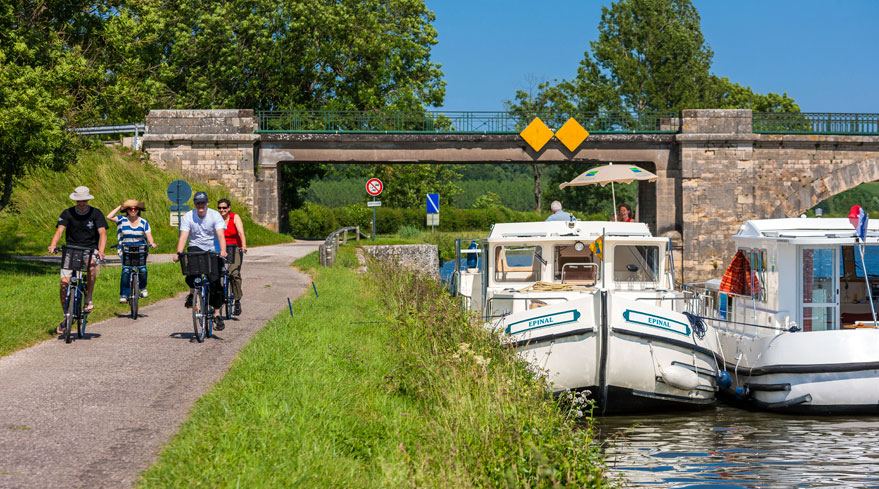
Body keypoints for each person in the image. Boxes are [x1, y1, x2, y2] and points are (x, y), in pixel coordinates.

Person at [48, 186, 108, 334]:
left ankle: (88, 297)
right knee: (64, 284)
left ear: (88, 200)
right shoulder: (67, 213)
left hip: (89, 249)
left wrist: (101, 251)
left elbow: (102, 233)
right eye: (78, 201)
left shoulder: (96, 213)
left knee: (92, 266)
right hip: (70, 249)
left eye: (84, 201)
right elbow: (60, 230)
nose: (81, 203)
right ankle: (66, 316)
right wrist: (53, 244)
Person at [172, 191, 228, 330]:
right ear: (195, 204)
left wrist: (223, 250)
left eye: (203, 202)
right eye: (198, 203)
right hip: (195, 247)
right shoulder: (189, 216)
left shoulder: (214, 215)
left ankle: (216, 314)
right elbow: (184, 236)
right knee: (192, 274)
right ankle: (192, 294)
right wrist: (179, 252)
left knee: (215, 282)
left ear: (207, 203)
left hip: (212, 249)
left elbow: (221, 236)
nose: (200, 205)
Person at [106, 199, 158, 303]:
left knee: (142, 269)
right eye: (130, 208)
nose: (133, 210)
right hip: (125, 250)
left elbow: (148, 235)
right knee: (126, 270)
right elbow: (109, 216)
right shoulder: (121, 220)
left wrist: (152, 243)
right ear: (127, 210)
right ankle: (124, 295)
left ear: (138, 210)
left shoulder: (143, 222)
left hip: (140, 249)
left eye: (135, 208)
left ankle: (143, 288)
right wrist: (120, 207)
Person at [217, 198, 247, 316]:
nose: (222, 210)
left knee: (233, 273)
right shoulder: (216, 218)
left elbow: (241, 233)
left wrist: (243, 246)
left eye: (224, 208)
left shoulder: (235, 217)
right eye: (219, 208)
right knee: (216, 273)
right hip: (220, 248)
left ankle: (237, 300)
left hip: (235, 247)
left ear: (229, 208)